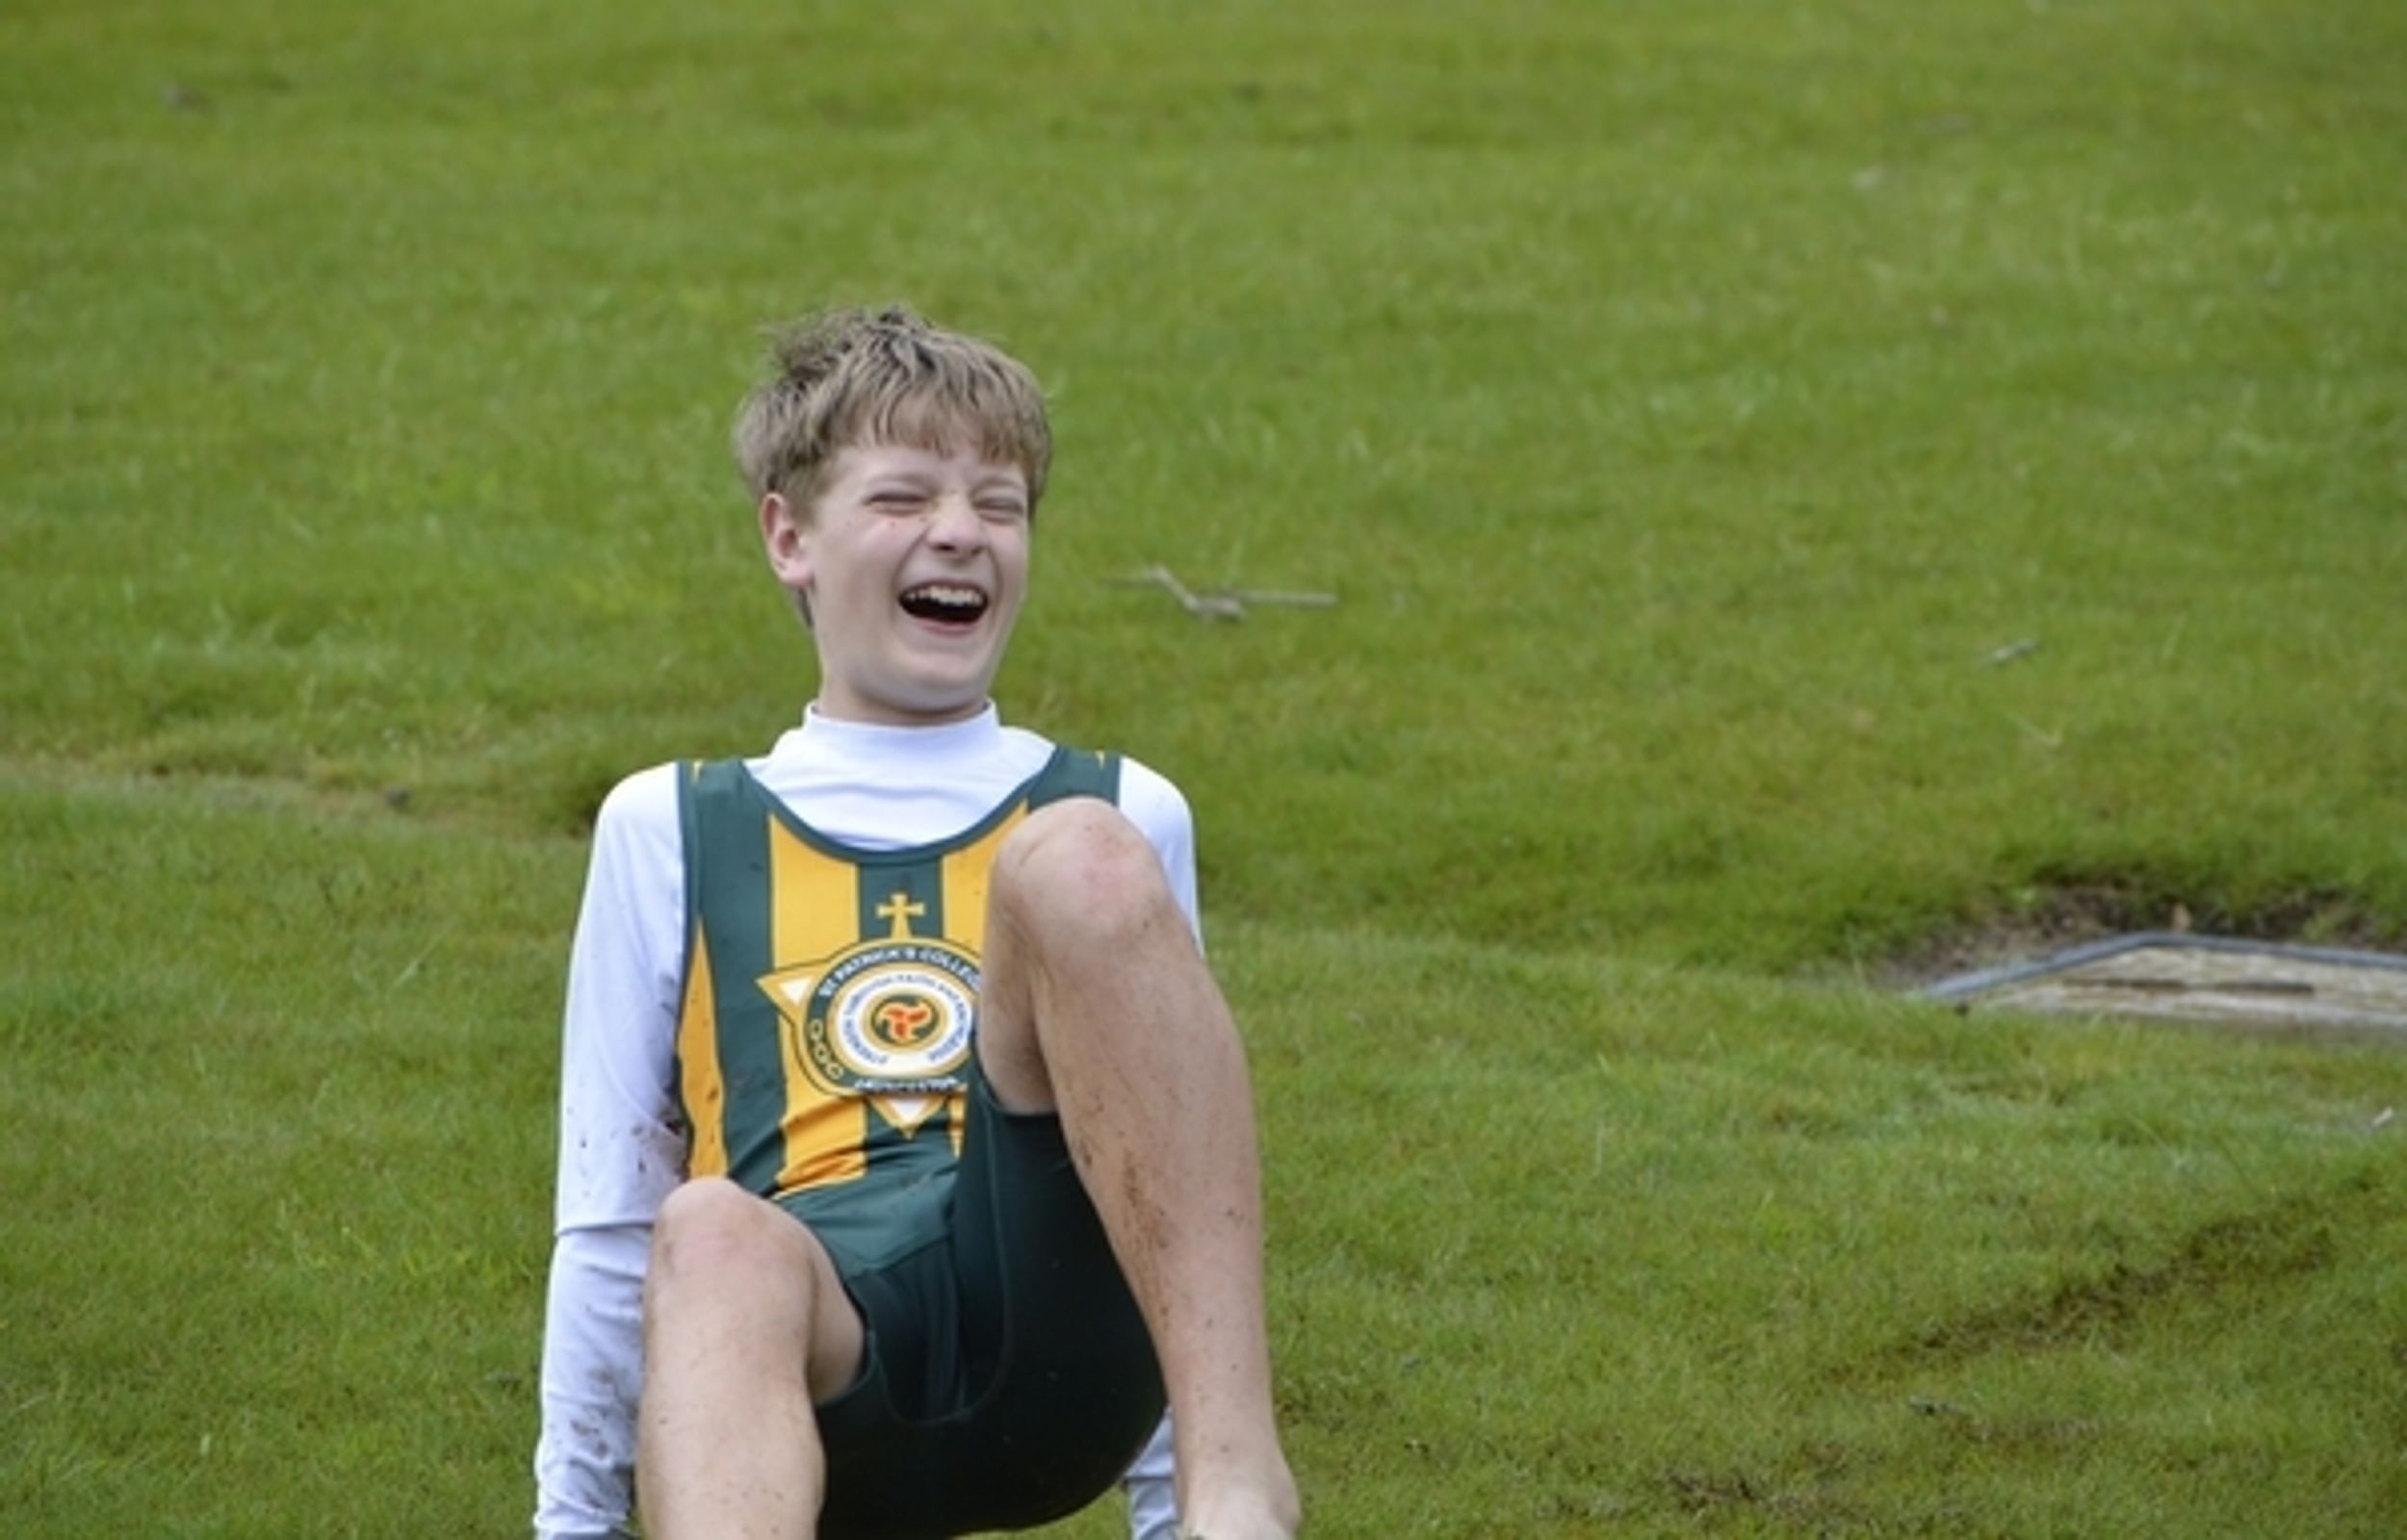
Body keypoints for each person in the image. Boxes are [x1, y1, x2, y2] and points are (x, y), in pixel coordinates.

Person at [532, 305, 1301, 1540]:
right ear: (789, 535)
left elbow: (1174, 1194)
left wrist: (1174, 1513)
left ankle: (1236, 1512)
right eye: (902, 497)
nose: (960, 531)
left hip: (1059, 1350)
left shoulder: (1118, 810)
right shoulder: (668, 823)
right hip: (816, 1380)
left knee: (1076, 859)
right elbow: (611, 1211)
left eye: (1000, 504)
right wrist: (570, 1527)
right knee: (706, 1225)